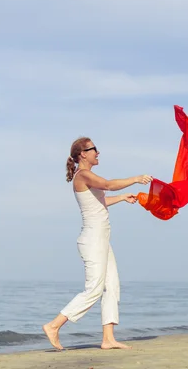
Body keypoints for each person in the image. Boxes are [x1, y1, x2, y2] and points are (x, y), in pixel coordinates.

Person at [42, 137, 152, 351]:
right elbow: (108, 185)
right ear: (83, 154)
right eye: (94, 149)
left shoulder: (87, 176)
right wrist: (137, 178)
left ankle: (108, 339)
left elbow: (100, 202)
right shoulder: (83, 175)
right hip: (92, 240)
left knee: (112, 286)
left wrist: (121, 198)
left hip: (101, 240)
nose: (98, 152)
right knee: (93, 289)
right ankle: (54, 325)